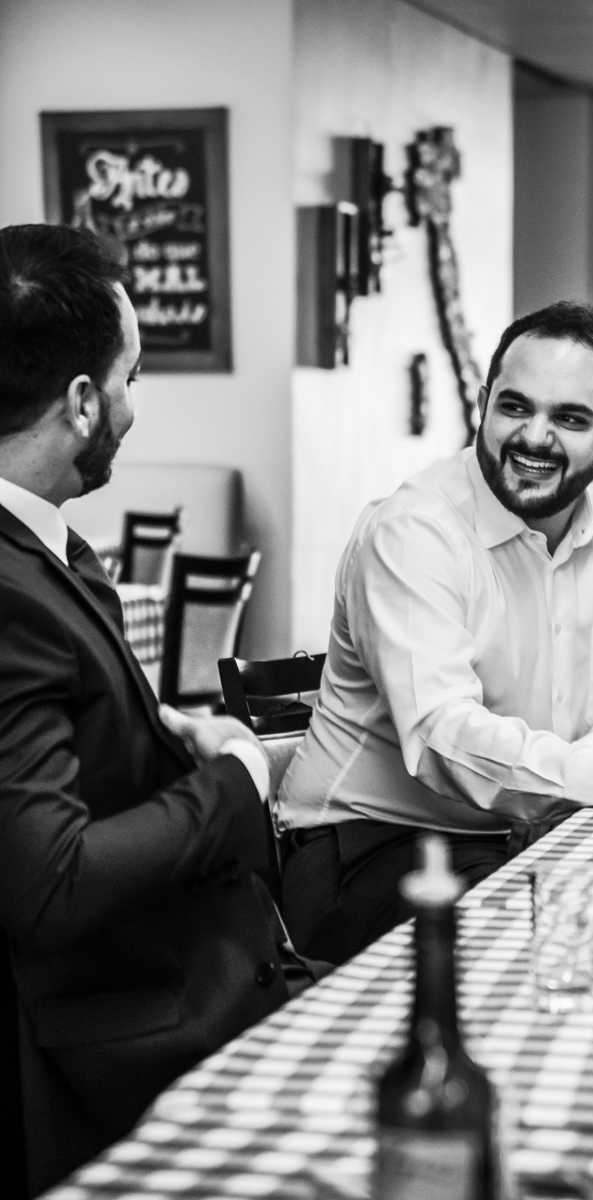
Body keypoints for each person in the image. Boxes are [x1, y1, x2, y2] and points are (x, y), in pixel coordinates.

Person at [0, 224, 318, 1195]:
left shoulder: (47, 552)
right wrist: (234, 780)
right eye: (132, 378)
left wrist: (172, 745)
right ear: (85, 401)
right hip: (130, 1043)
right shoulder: (9, 591)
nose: (137, 409)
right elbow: (49, 884)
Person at [278, 301, 593, 964]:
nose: (534, 437)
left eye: (569, 417)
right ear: (482, 402)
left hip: (537, 831)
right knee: (554, 948)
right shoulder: (413, 530)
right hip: (370, 847)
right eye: (514, 407)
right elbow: (442, 734)